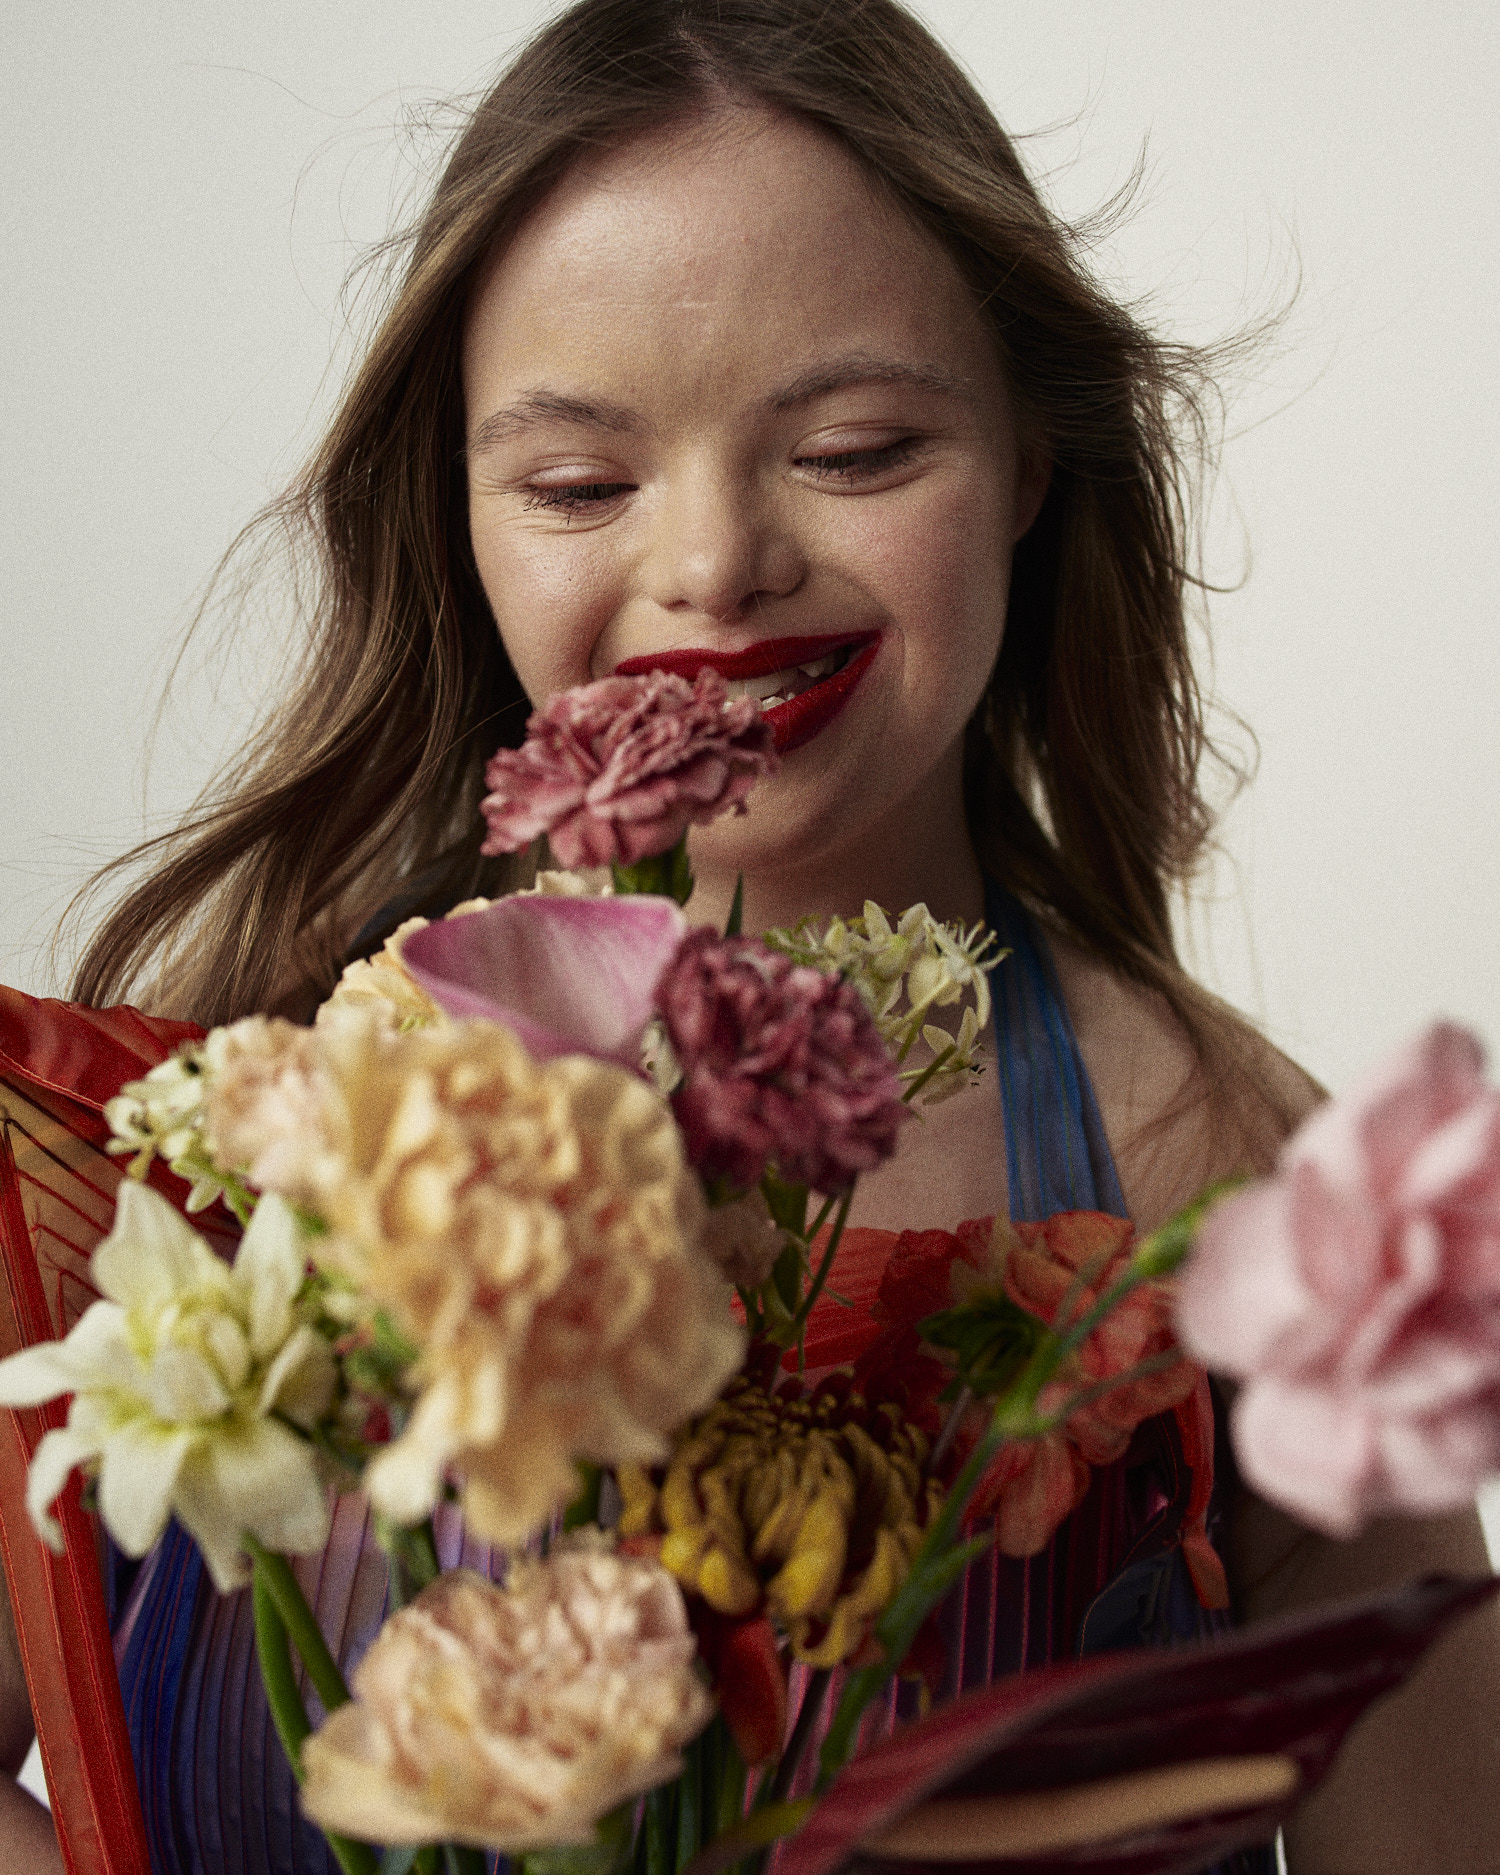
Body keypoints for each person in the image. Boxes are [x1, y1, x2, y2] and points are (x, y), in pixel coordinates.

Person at [2, 1, 1497, 1869]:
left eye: (858, 449)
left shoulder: (1241, 1180)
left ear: (1033, 461)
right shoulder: (224, 1115)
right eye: (576, 483)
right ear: (453, 509)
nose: (713, 562)